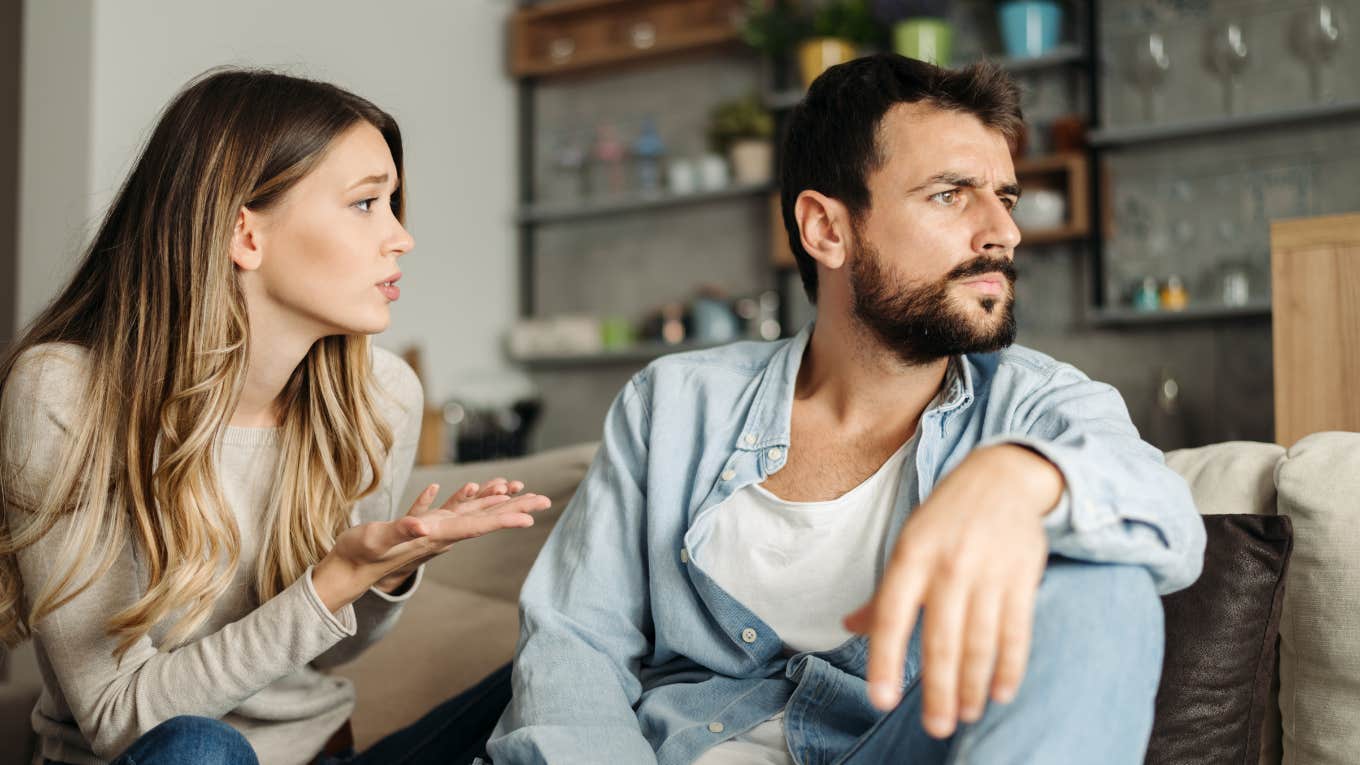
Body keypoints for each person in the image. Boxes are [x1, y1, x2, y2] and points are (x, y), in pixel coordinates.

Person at [487, 54, 1206, 764]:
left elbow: (1171, 521)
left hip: (905, 745)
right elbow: (573, 641)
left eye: (1006, 197)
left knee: (1107, 586)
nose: (1003, 232)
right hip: (691, 749)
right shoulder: (672, 406)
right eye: (951, 194)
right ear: (826, 229)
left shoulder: (1038, 403)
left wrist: (1029, 476)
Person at [0, 68, 550, 765]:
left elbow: (330, 652)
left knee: (560, 673)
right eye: (366, 204)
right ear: (245, 236)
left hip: (325, 752)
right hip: (166, 757)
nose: (401, 236)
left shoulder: (381, 394)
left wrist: (379, 576)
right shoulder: (65, 393)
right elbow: (116, 715)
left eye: (393, 202)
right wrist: (332, 581)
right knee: (199, 747)